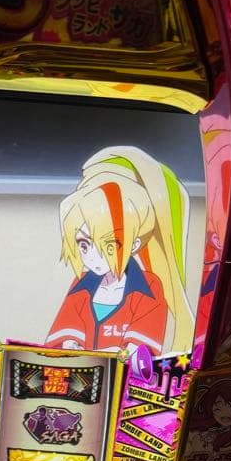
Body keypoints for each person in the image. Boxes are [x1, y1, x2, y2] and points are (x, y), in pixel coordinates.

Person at [45, 146, 195, 356]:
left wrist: (109, 354)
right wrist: (69, 345)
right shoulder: (81, 285)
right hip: (82, 374)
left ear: (134, 244)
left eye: (107, 245)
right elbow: (62, 337)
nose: (92, 256)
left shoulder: (150, 287)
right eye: (84, 245)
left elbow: (140, 352)